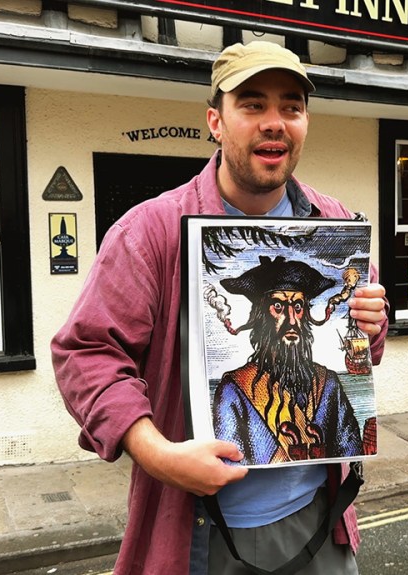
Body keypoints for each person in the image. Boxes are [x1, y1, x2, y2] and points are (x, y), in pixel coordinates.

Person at [51, 40, 388, 575]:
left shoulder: (336, 225)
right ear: (216, 120)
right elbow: (86, 354)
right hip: (201, 538)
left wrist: (370, 323)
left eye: (291, 107)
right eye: (252, 104)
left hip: (321, 527)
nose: (274, 122)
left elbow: (364, 353)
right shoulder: (150, 232)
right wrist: (157, 453)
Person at [213, 255, 364, 465]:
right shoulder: (234, 389)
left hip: (323, 496)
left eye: (298, 307)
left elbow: (351, 452)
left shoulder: (328, 384)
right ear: (261, 316)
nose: (292, 320)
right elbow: (225, 464)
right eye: (278, 307)